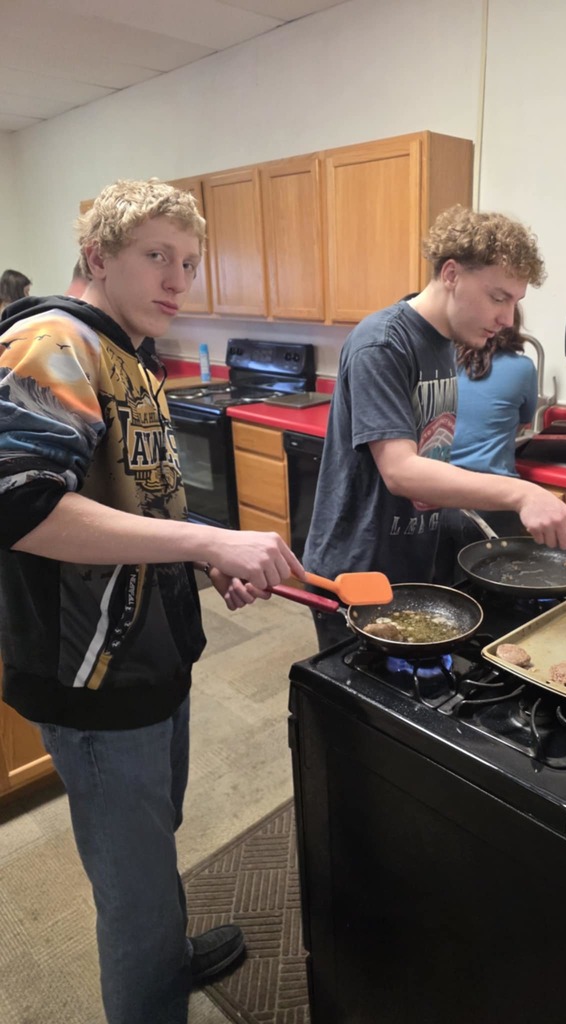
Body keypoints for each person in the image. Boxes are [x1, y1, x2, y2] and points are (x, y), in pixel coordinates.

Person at [0, 178, 305, 1024]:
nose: (178, 278)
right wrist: (210, 541)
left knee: (152, 832)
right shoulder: (51, 343)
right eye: (156, 257)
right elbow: (22, 509)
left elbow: (139, 502)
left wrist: (202, 562)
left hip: (150, 659)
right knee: (131, 889)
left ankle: (167, 956)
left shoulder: (130, 351)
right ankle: (152, 983)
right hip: (90, 679)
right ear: (99, 257)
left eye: (190, 262)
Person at [303, 204, 566, 650]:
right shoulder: (383, 344)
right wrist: (523, 492)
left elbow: (432, 457)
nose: (508, 318)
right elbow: (401, 471)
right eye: (498, 297)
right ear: (451, 273)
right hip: (357, 572)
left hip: (406, 562)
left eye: (515, 301)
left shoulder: (443, 343)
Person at [435, 307, 538, 582]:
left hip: (438, 496)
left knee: (442, 593)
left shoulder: (441, 363)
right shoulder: (523, 368)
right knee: (493, 595)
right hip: (494, 502)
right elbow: (523, 422)